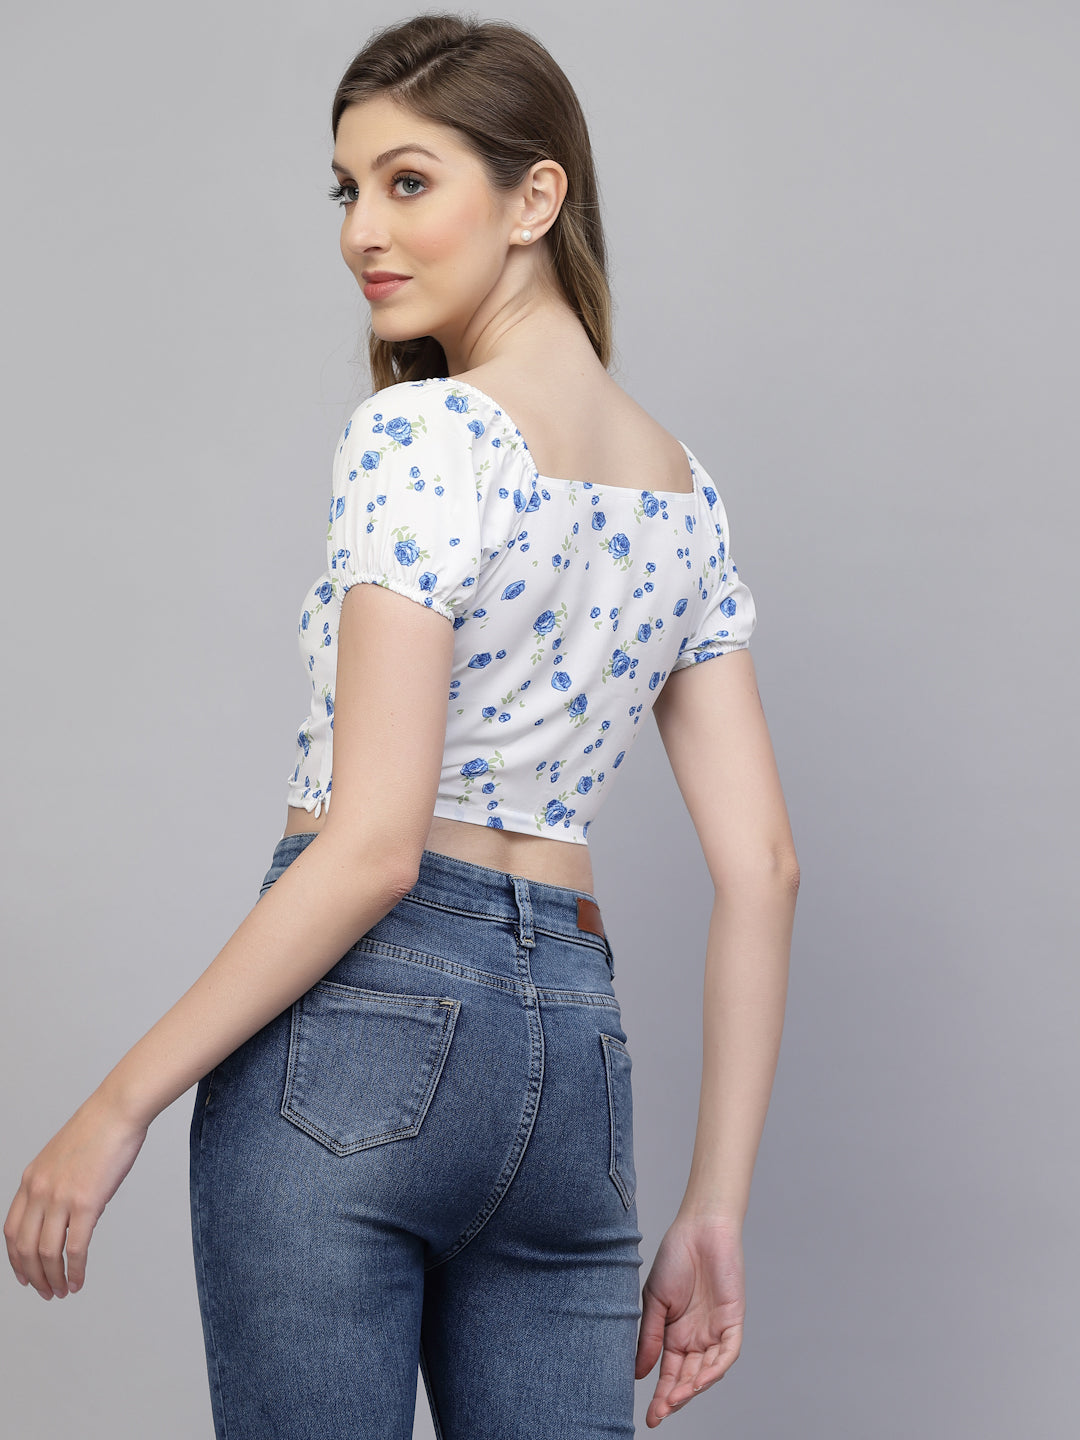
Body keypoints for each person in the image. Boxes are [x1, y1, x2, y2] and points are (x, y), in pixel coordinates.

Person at [3, 12, 799, 1437]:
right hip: (576, 1063)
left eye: (409, 181)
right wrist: (714, 1209)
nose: (364, 228)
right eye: (347, 188)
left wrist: (116, 1105)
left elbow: (373, 849)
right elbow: (765, 872)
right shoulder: (688, 490)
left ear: (535, 198)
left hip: (364, 1031)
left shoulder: (425, 433)